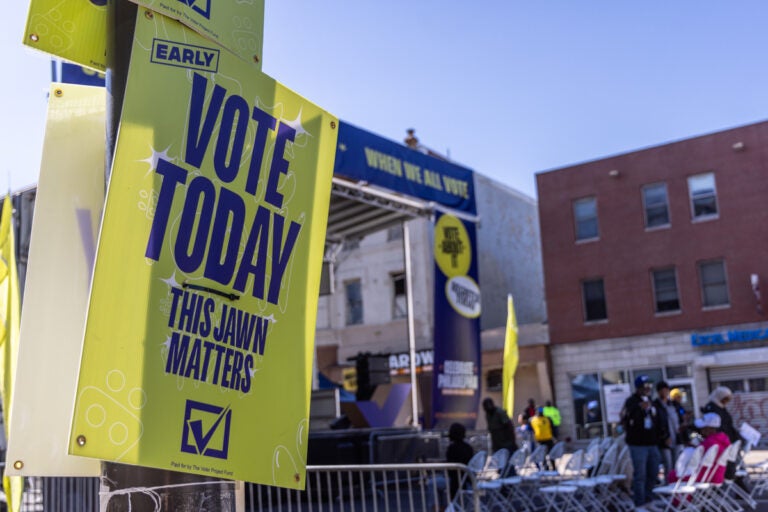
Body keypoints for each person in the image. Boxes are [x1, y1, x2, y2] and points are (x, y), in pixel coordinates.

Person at [620, 374, 663, 507]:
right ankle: (640, 502)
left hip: (652, 442)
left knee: (654, 471)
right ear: (639, 387)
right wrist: (639, 408)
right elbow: (627, 417)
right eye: (645, 386)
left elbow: (657, 419)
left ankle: (648, 496)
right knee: (640, 474)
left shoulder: (651, 401)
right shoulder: (631, 401)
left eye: (650, 386)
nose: (648, 388)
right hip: (638, 444)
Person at [427, 422, 475, 510]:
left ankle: (436, 508)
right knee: (439, 481)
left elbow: (450, 469)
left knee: (432, 483)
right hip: (467, 480)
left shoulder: (452, 448)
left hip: (455, 481)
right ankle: (442, 507)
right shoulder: (469, 448)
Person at [701, 386, 743, 480]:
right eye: (725, 399)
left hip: (727, 441)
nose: (726, 402)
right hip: (721, 442)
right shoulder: (712, 408)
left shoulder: (721, 407)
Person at [653, 381, 678, 482]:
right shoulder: (656, 405)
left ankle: (675, 483)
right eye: (662, 390)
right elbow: (657, 423)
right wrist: (664, 436)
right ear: (659, 392)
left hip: (676, 437)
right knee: (668, 464)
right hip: (664, 440)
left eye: (666, 390)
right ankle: (668, 485)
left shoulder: (672, 404)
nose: (665, 392)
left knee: (676, 464)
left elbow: (678, 417)